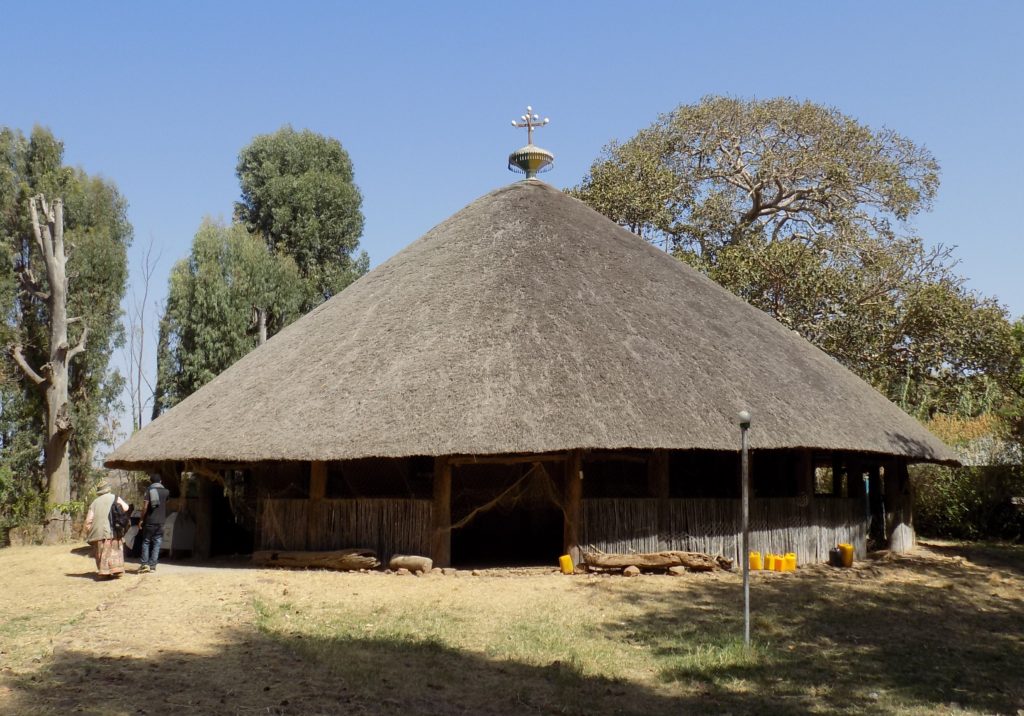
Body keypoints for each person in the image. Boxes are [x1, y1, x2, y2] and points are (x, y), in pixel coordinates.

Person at [82, 485, 130, 579]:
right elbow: (126, 507)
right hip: (114, 530)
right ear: (108, 490)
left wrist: (88, 531)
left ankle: (104, 571)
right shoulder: (115, 498)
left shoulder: (94, 502)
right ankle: (116, 570)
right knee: (115, 550)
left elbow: (89, 520)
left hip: (98, 532)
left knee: (101, 551)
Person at [138, 475, 170, 573]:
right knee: (157, 543)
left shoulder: (149, 491)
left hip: (150, 521)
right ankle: (153, 566)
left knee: (146, 542)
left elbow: (145, 507)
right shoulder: (166, 491)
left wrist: (141, 519)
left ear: (151, 482)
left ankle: (144, 564)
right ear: (160, 481)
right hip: (161, 522)